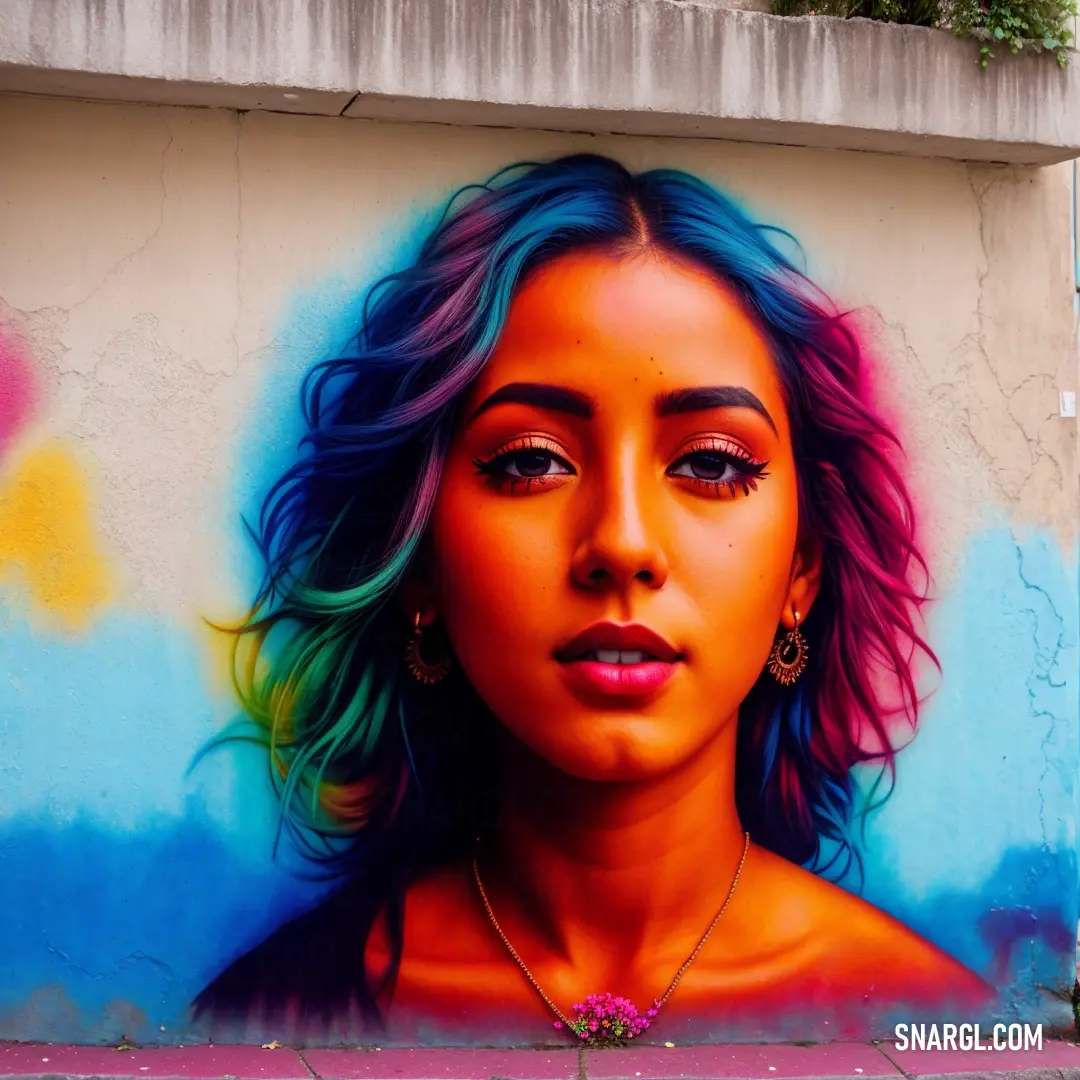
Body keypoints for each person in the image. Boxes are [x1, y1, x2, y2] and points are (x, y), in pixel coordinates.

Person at [193, 155, 990, 1044]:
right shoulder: (273, 1014)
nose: (621, 543)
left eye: (713, 464)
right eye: (530, 460)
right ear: (417, 560)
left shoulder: (934, 1019)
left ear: (802, 570)